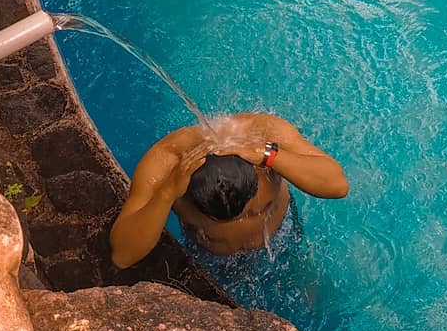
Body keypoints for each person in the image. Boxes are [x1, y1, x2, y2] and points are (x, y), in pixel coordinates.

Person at [110, 112, 348, 268]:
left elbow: (338, 185)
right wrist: (167, 193)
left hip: (280, 237)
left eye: (255, 209)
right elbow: (122, 255)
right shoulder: (165, 163)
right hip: (213, 258)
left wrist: (268, 156)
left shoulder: (268, 135)